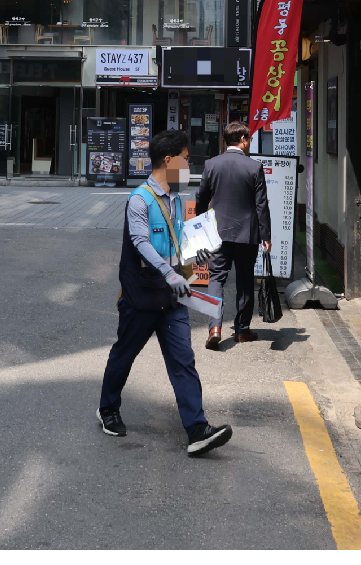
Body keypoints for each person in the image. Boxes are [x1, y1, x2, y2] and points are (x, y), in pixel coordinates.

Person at [97, 129, 233, 457]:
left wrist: (196, 255)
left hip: (171, 299)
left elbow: (176, 243)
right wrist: (171, 273)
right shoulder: (139, 199)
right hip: (141, 297)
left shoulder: (176, 200)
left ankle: (197, 429)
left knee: (183, 361)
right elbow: (140, 242)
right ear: (168, 161)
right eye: (185, 159)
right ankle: (107, 408)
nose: (188, 166)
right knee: (124, 356)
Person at [194, 121, 272, 349]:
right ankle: (242, 330)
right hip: (247, 233)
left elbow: (201, 197)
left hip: (217, 231)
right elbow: (261, 206)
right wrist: (266, 235)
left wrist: (201, 222)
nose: (249, 143)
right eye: (249, 139)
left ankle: (215, 327)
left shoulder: (211, 164)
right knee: (245, 279)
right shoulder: (254, 167)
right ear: (243, 139)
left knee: (216, 278)